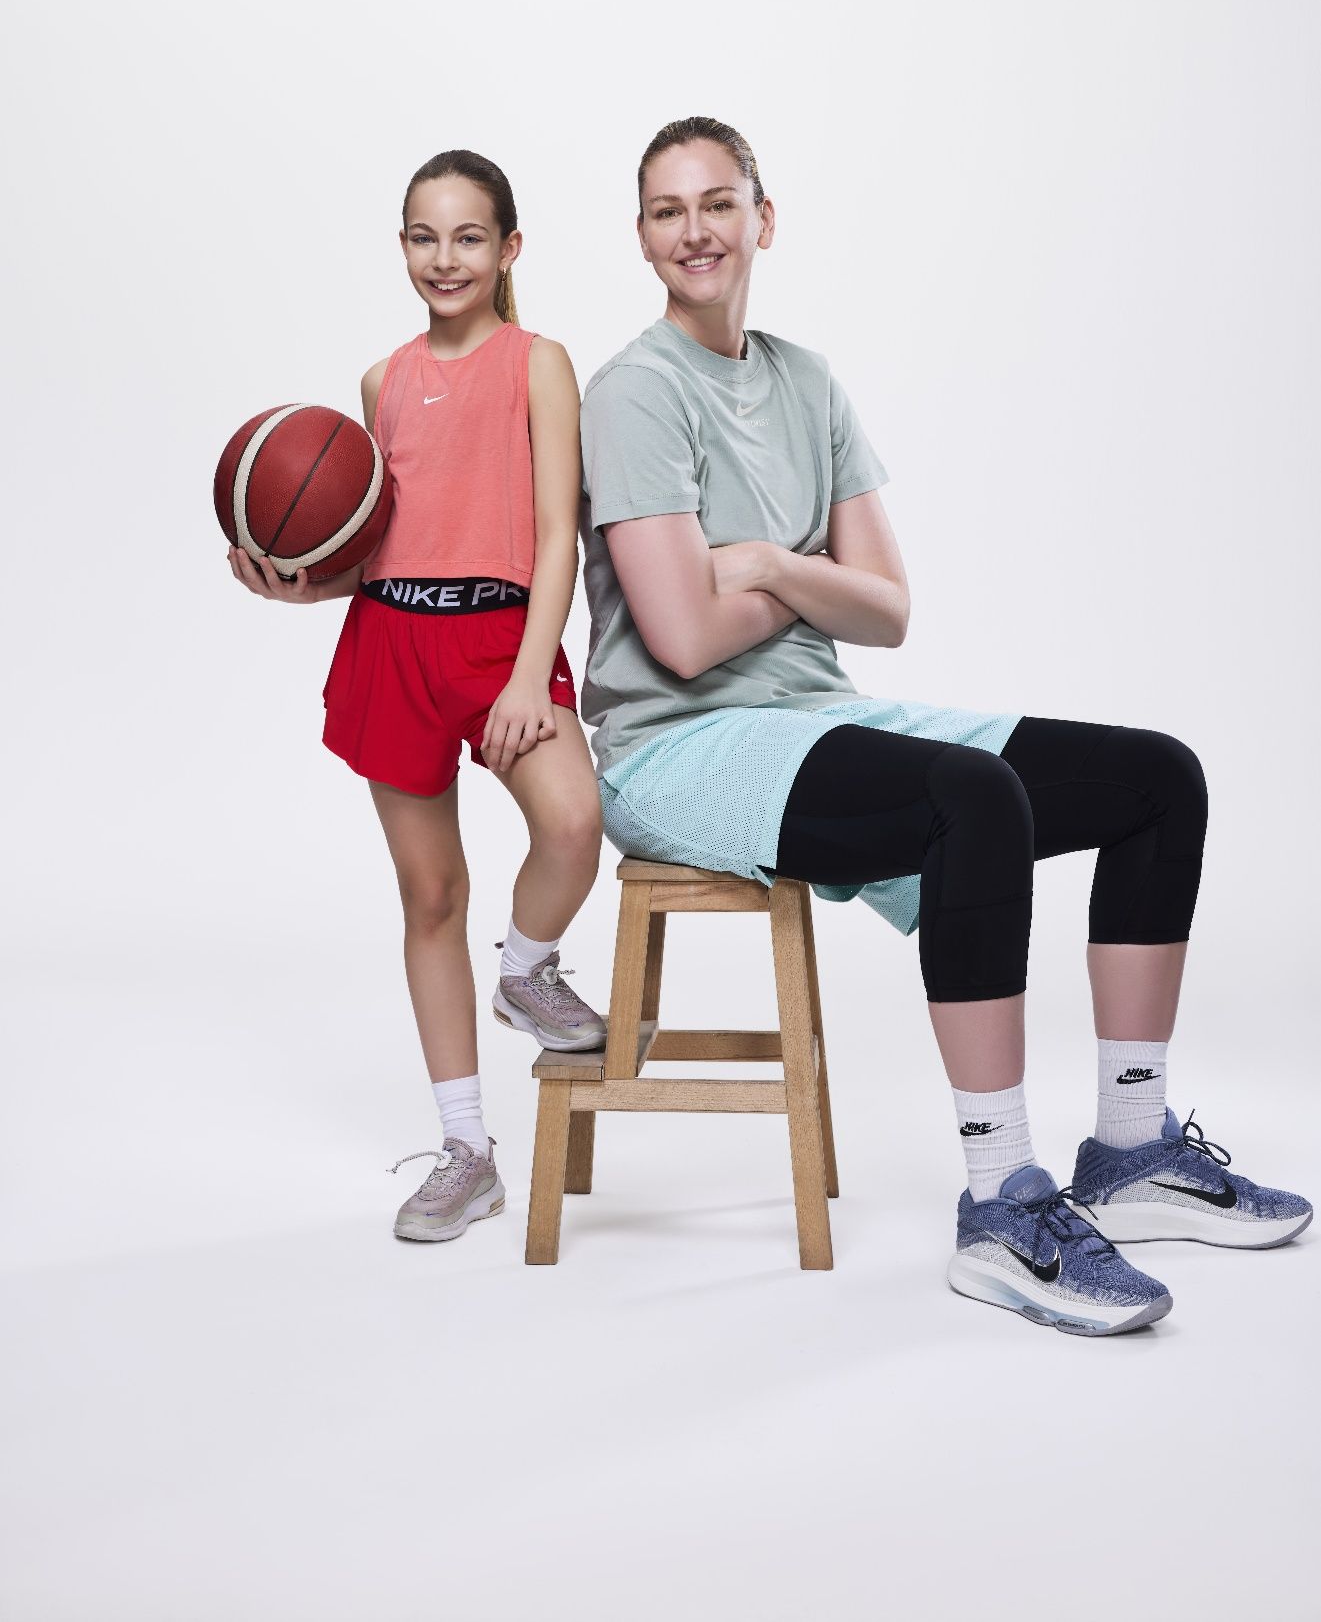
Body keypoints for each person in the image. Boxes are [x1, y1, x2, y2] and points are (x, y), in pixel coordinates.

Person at [578, 114, 1310, 1334]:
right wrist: (812, 578)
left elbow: (889, 611)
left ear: (763, 219)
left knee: (1157, 779)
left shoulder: (806, 381)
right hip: (678, 750)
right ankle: (999, 1204)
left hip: (813, 715)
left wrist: (763, 561)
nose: (694, 230)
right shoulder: (634, 394)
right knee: (972, 796)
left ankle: (1129, 1150)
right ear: (642, 236)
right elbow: (683, 640)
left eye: (717, 203)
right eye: (667, 210)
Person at [229, 149, 606, 1243]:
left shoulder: (539, 363)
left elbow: (555, 535)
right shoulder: (379, 381)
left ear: (509, 249)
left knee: (573, 822)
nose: (445, 259)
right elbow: (381, 547)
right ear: (401, 246)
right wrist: (301, 585)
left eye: (468, 238)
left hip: (500, 641)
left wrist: (530, 672)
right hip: (392, 640)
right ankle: (465, 1153)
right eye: (424, 237)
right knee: (431, 897)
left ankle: (526, 971)